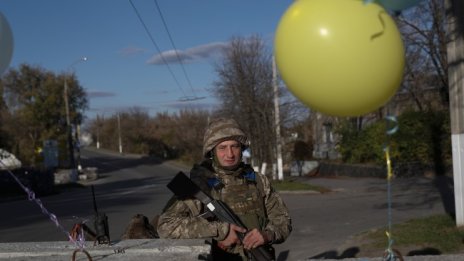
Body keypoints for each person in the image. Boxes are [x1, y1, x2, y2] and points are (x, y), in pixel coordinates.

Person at [157, 118, 292, 260]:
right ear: (212, 152)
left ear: (242, 148)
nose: (230, 154)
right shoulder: (199, 186)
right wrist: (221, 230)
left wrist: (267, 235)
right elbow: (166, 226)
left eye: (235, 146)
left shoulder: (258, 181)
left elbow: (283, 220)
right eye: (222, 148)